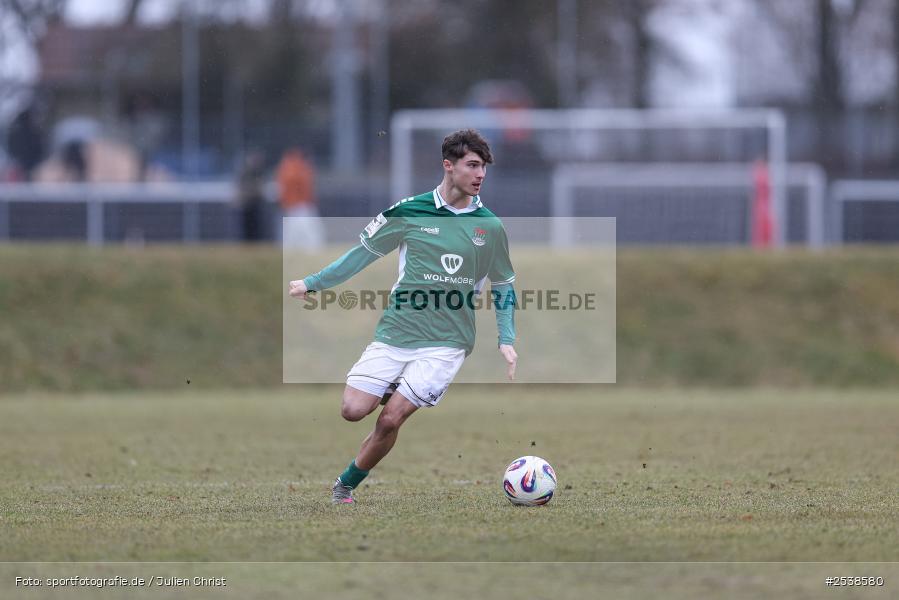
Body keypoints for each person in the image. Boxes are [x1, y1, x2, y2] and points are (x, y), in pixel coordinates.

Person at [288, 129, 518, 504]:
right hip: (397, 332)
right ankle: (395, 385)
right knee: (352, 410)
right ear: (449, 165)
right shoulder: (408, 211)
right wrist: (314, 283)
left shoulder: (489, 226)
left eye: (484, 167)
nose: (480, 175)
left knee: (390, 419)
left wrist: (506, 339)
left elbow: (504, 283)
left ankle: (345, 485)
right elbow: (361, 253)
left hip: (447, 343)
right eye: (472, 165)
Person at [277, 147, 323, 249]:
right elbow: (305, 187)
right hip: (300, 207)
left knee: (291, 241)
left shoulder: (286, 167)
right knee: (312, 240)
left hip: (293, 207)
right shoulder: (296, 168)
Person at [236, 150, 267, 242]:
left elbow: (260, 189)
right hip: (246, 207)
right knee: (247, 232)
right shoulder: (245, 173)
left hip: (256, 206)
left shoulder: (258, 173)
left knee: (256, 232)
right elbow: (242, 189)